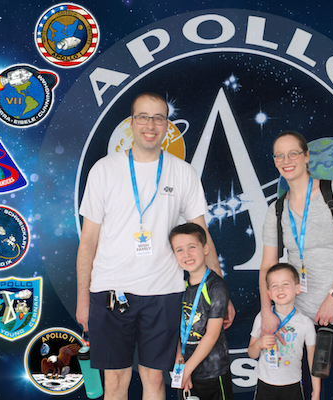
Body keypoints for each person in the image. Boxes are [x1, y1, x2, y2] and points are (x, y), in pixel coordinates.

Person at [76, 92, 235, 400]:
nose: (151, 125)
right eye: (143, 117)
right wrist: (83, 298)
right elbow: (88, 242)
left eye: (159, 118)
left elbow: (202, 237)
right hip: (111, 290)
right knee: (115, 382)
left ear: (167, 126)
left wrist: (221, 294)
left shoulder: (182, 172)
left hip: (163, 291)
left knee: (156, 380)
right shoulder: (104, 170)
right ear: (131, 123)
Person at [259, 131, 333, 399]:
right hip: (301, 314)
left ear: (306, 157)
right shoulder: (277, 210)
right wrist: (267, 311)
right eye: (279, 155)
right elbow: (267, 266)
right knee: (306, 390)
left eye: (293, 153)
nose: (286, 160)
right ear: (274, 162)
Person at [169, 223, 233, 400]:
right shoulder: (178, 287)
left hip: (213, 372)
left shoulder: (216, 286)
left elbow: (211, 335)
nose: (187, 255)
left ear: (205, 249)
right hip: (186, 372)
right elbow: (176, 332)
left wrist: (187, 369)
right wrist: (181, 365)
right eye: (179, 250)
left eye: (192, 247)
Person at [249, 263, 320, 400]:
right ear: (269, 293)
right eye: (274, 286)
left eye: (286, 284)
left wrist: (316, 392)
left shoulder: (305, 323)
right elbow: (252, 354)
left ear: (297, 288)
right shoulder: (262, 318)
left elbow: (313, 360)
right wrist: (259, 344)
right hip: (265, 384)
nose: (280, 289)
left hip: (292, 385)